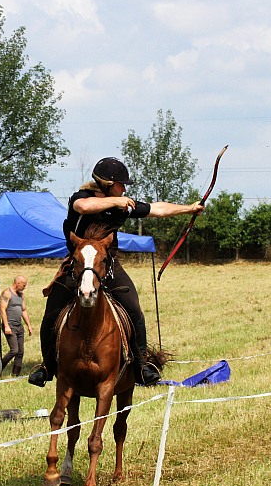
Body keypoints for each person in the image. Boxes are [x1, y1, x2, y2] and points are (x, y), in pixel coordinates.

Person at [28, 157, 205, 388]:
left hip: (109, 266)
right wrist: (115, 202)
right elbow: (84, 207)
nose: (125, 190)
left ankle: (141, 366)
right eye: (121, 185)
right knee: (52, 312)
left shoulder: (123, 204)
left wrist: (189, 208)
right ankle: (47, 367)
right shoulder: (82, 197)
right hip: (78, 266)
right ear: (108, 184)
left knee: (134, 309)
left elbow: (157, 209)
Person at [0, 275, 33, 377]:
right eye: (23, 285)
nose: (24, 287)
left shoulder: (21, 295)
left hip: (19, 326)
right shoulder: (7, 293)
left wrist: (29, 325)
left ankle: (16, 374)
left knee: (20, 352)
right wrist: (6, 326)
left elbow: (24, 310)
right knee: (14, 350)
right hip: (10, 326)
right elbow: (2, 310)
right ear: (17, 283)